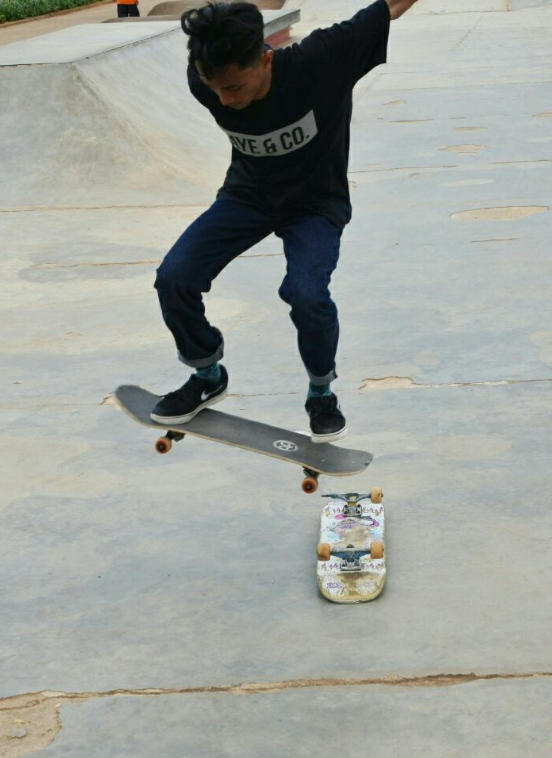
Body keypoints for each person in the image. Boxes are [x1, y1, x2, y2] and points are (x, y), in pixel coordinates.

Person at [149, 0, 421, 442]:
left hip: (316, 203)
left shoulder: (322, 59)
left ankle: (321, 393)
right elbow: (217, 84)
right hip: (247, 196)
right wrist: (217, 85)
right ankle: (206, 374)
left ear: (265, 58)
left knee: (306, 294)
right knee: (174, 278)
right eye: (216, 89)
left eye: (235, 87)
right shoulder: (204, 81)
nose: (227, 101)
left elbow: (387, 8)